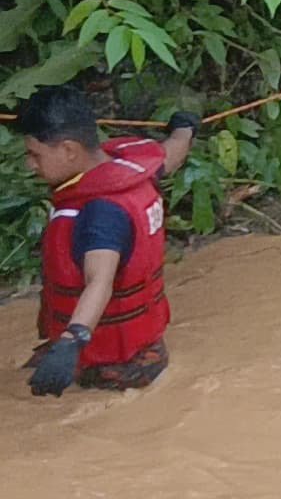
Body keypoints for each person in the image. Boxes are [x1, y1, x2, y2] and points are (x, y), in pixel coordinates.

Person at [16, 86, 197, 396]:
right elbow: (172, 152)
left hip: (119, 363)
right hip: (134, 344)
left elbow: (99, 281)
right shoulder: (130, 170)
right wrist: (185, 128)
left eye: (36, 155)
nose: (30, 165)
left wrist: (71, 341)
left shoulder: (101, 214)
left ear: (70, 150)